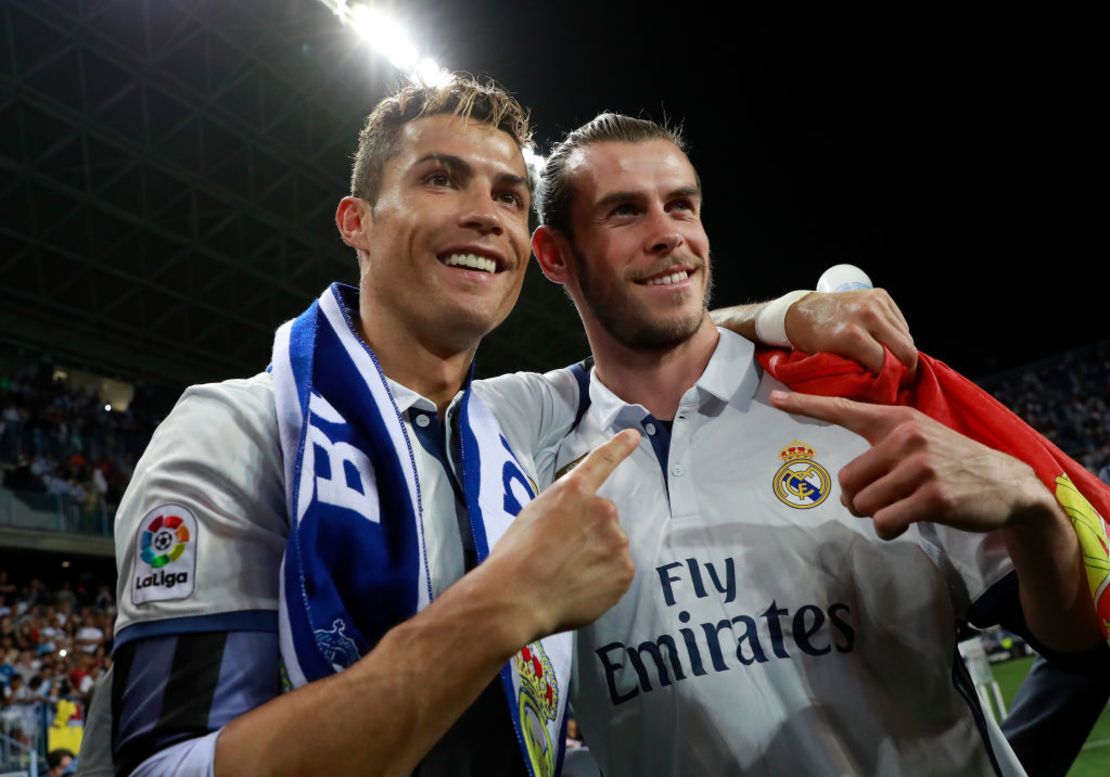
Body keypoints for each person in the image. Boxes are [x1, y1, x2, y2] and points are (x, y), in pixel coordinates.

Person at [91, 76, 916, 777]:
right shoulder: (235, 429)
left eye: (509, 196)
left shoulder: (512, 422)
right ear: (357, 222)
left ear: (532, 243)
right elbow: (164, 765)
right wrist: (502, 606)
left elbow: (658, 335)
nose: (486, 214)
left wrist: (786, 313)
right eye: (441, 179)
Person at [528, 113, 1103, 776]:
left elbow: (1076, 643)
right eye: (624, 212)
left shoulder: (851, 398)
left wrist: (1034, 513)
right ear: (554, 254)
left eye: (682, 205)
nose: (669, 234)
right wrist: (779, 311)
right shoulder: (532, 450)